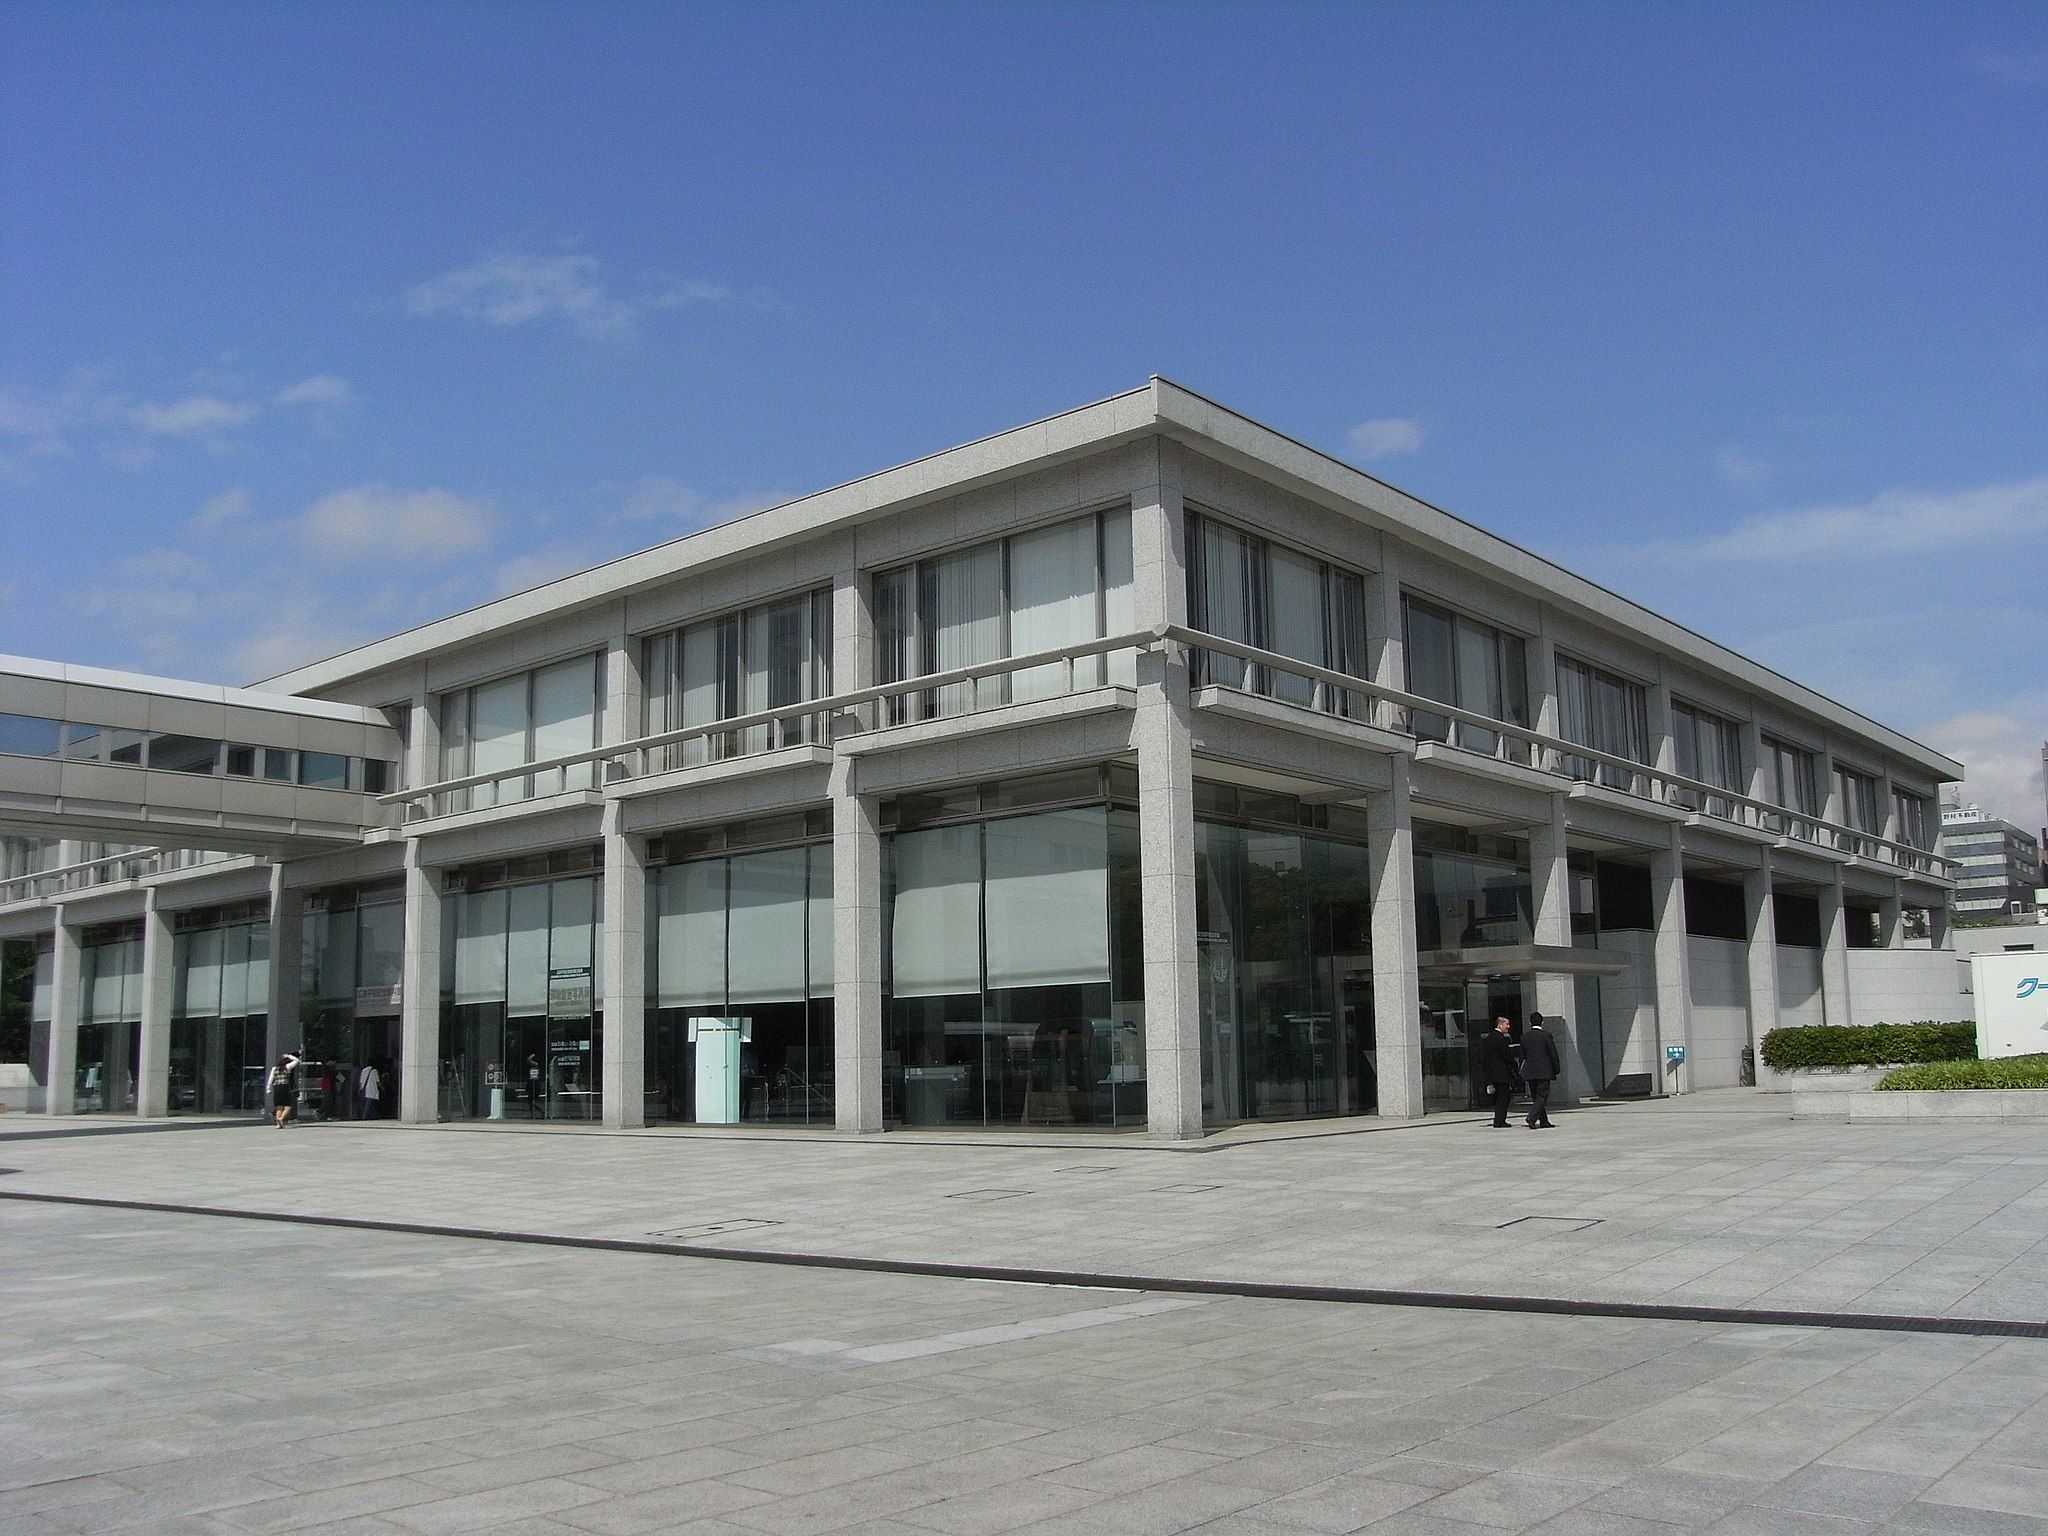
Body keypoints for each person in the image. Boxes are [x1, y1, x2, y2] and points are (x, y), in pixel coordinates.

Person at [1477, 1015, 1520, 1128]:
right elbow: (1506, 1055)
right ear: (1500, 1024)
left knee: (1497, 1097)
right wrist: (1514, 1064)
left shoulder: (1488, 1038)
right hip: (1501, 1073)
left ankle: (1498, 1119)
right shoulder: (1501, 1039)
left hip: (1491, 1072)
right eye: (1506, 1024)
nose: (1508, 1027)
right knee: (1504, 1097)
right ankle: (1500, 1120)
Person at [1521, 1012, 1561, 1129]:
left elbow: (1522, 1056)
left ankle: (1543, 1121)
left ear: (1530, 1022)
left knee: (1536, 1097)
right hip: (1544, 1071)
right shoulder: (1546, 1035)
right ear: (1542, 1022)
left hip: (1530, 1072)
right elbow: (1552, 1054)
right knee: (1542, 1096)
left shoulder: (1524, 1037)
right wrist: (1556, 1069)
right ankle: (1532, 1117)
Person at [267, 1052, 301, 1129]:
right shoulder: (287, 1067)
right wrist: (289, 1056)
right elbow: (296, 1060)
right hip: (285, 1087)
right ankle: (281, 1118)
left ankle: (278, 1124)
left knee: (279, 1107)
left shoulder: (274, 1068)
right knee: (288, 1106)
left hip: (277, 1087)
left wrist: (268, 1088)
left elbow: (270, 1079)